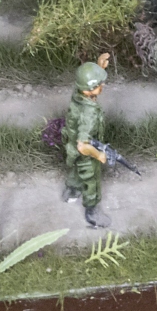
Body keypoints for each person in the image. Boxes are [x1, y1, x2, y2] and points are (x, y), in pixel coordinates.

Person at [62, 53, 112, 228]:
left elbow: (85, 82)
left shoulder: (78, 94)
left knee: (77, 168)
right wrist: (98, 155)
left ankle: (71, 191)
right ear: (89, 89)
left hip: (71, 143)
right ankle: (92, 211)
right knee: (92, 180)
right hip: (85, 148)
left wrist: (98, 69)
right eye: (99, 85)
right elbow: (83, 146)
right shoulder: (88, 113)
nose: (102, 86)